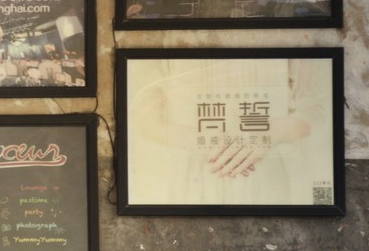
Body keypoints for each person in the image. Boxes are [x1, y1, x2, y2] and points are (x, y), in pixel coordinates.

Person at [125, 57, 333, 206]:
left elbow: (316, 109)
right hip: (193, 174)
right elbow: (143, 116)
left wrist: (270, 133)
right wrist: (194, 139)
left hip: (264, 171)